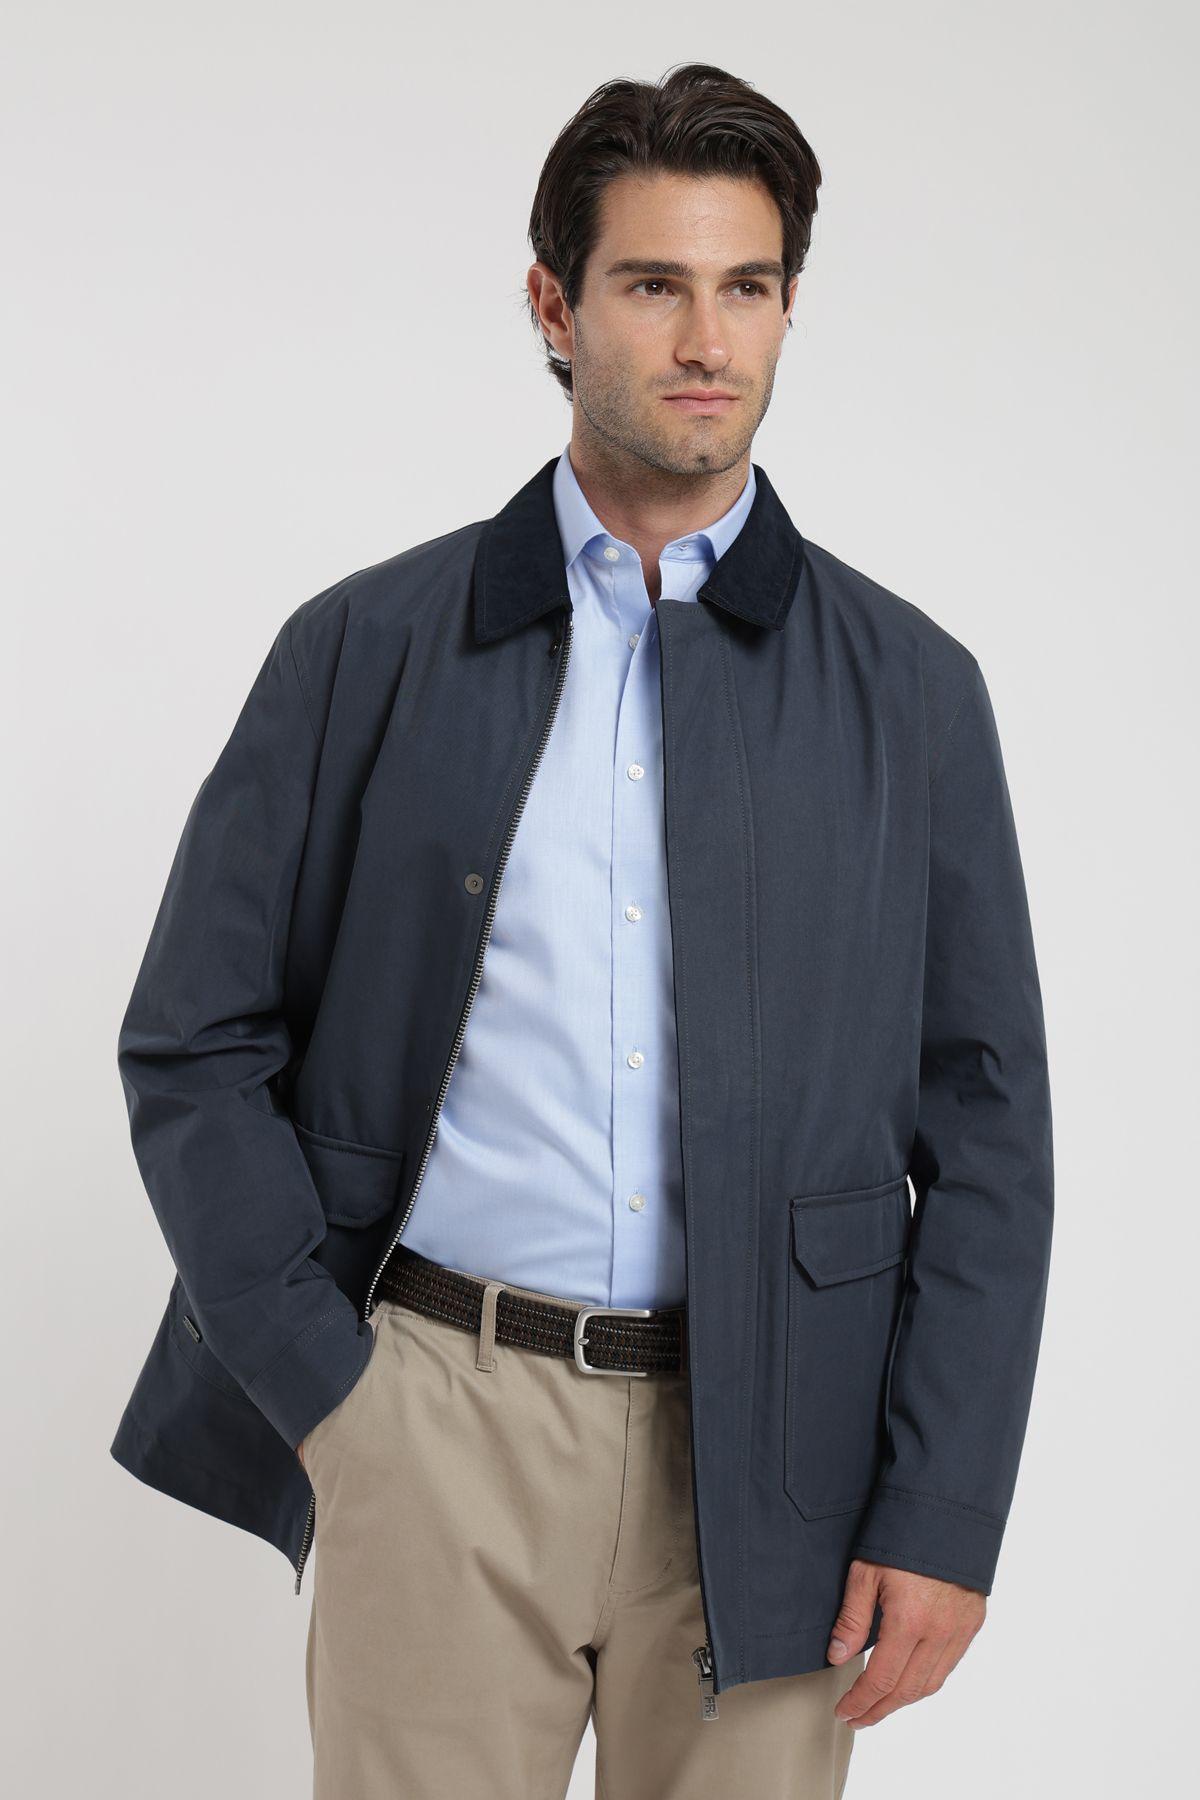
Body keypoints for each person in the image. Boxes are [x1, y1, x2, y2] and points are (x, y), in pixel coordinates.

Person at [112, 60, 1054, 1800]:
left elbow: (990, 1131)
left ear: (789, 307)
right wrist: (335, 1397)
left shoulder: (912, 693)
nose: (707, 338)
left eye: (747, 286)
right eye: (652, 283)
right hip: (441, 1420)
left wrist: (939, 1506)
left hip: (783, 1452)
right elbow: (193, 1041)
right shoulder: (364, 649)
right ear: (555, 308)